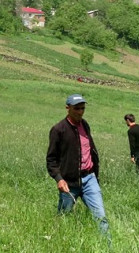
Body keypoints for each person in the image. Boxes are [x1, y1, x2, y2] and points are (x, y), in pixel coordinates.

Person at [46, 94, 110, 238]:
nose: (80, 111)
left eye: (82, 108)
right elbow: (51, 159)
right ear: (67, 108)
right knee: (64, 218)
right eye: (76, 108)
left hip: (89, 179)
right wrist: (59, 179)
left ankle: (107, 247)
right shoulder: (58, 130)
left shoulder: (85, 125)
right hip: (69, 182)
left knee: (101, 217)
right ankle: (58, 243)